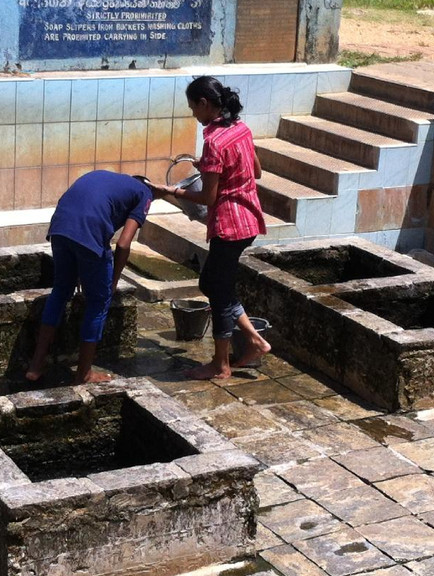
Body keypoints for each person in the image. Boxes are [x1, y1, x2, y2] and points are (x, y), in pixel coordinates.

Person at [152, 76, 270, 379]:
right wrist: (209, 168)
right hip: (250, 219)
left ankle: (221, 364)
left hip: (229, 224)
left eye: (193, 107)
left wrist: (171, 191)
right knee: (213, 285)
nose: (193, 113)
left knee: (216, 290)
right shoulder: (241, 129)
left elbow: (207, 196)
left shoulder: (214, 141)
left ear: (205, 104)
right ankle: (254, 340)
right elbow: (255, 171)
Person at [26, 170, 153, 384]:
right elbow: (123, 244)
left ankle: (36, 366)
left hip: (60, 226)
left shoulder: (105, 177)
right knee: (98, 302)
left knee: (60, 292)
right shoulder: (145, 193)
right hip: (88, 231)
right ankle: (84, 374)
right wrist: (112, 282)